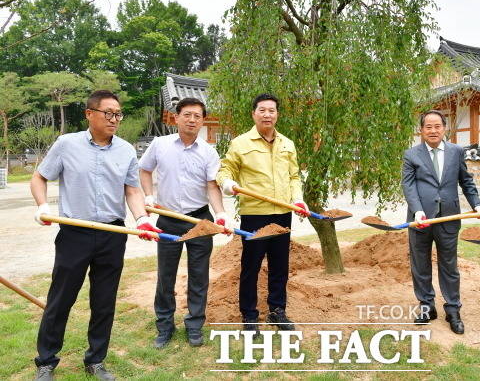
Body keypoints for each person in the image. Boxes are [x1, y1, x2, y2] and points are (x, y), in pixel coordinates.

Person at [30, 90, 160, 381]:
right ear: (90, 114)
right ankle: (46, 361)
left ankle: (96, 360)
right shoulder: (66, 144)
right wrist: (42, 206)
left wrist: (142, 219)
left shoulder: (126, 150)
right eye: (108, 113)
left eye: (118, 114)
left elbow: (132, 189)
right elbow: (40, 176)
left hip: (112, 233)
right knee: (61, 298)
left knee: (104, 300)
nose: (115, 119)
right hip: (74, 232)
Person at [139, 97, 229, 349]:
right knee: (165, 276)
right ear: (176, 117)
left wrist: (220, 213)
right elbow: (144, 170)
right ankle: (165, 326)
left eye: (197, 116)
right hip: (167, 219)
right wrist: (148, 196)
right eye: (187, 115)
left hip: (199, 220)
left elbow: (212, 186)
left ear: (203, 121)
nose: (192, 120)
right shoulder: (160, 144)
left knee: (198, 276)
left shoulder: (209, 151)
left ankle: (194, 325)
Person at [216, 93, 308, 335]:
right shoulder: (240, 143)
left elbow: (294, 176)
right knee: (251, 266)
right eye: (262, 110)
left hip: (282, 213)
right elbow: (225, 170)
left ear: (277, 114)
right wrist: (227, 184)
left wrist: (298, 199)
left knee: (280, 266)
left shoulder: (287, 144)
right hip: (255, 215)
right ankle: (249, 314)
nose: (267, 114)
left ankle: (277, 310)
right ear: (253, 113)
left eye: (272, 110)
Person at [401, 110, 480, 335]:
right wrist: (417, 211)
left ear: (444, 128)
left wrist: (477, 204)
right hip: (420, 220)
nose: (433, 130)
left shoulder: (456, 151)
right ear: (421, 130)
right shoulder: (411, 154)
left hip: (449, 217)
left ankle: (453, 309)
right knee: (420, 264)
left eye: (437, 126)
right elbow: (408, 187)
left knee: (449, 265)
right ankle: (426, 306)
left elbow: (466, 181)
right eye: (428, 126)